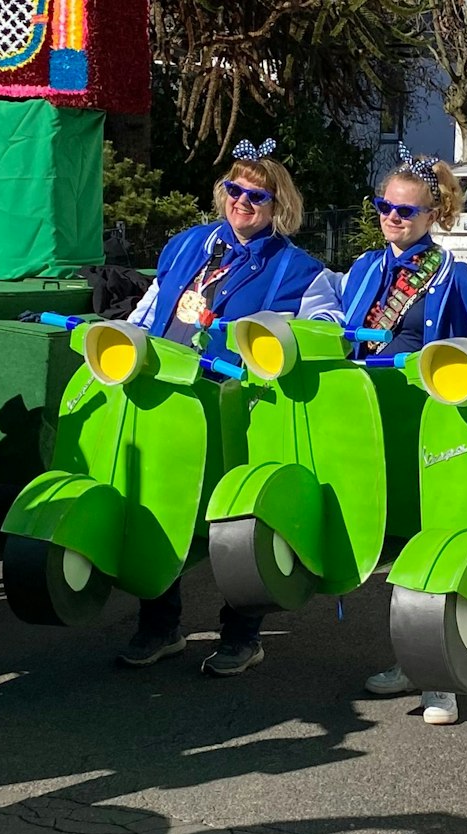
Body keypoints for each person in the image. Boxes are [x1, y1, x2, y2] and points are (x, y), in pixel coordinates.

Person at [116, 138, 335, 677]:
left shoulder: (298, 268)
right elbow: (153, 307)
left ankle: (242, 634)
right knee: (158, 507)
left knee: (238, 520)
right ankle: (160, 625)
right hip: (166, 396)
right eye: (235, 190)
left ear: (278, 205)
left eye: (257, 197)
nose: (243, 202)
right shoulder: (189, 243)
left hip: (239, 408)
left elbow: (324, 328)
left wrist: (274, 340)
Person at [321, 144, 467, 726]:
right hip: (369, 423)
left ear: (433, 217)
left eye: (407, 212)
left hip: (425, 426)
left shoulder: (455, 277)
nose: (393, 218)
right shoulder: (363, 269)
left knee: (428, 548)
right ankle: (408, 660)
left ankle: (440, 682)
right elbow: (339, 333)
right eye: (385, 207)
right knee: (389, 550)